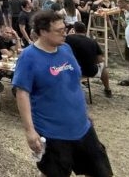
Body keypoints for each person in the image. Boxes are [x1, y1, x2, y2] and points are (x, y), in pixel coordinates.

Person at [12, 11, 113, 177]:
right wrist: (30, 131)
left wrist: (82, 112)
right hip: (52, 132)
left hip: (82, 127)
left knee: (101, 172)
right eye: (59, 30)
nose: (64, 33)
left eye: (65, 29)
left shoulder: (66, 49)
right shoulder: (28, 57)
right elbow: (22, 93)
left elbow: (73, 81)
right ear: (43, 32)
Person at [65, 22, 113, 98]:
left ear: (74, 30)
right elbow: (100, 60)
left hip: (71, 70)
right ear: (85, 30)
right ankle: (107, 89)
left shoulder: (68, 39)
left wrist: (68, 35)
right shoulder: (93, 42)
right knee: (103, 67)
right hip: (89, 71)